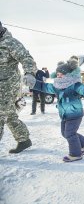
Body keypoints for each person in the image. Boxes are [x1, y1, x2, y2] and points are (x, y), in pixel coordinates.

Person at [24, 56, 84, 162]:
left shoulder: (75, 85)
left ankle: (76, 154)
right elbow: (44, 87)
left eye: (61, 74)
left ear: (68, 74)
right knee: (65, 133)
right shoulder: (57, 86)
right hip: (64, 114)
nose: (58, 76)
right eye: (57, 74)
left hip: (75, 114)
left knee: (69, 133)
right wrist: (33, 83)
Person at [0, 21, 37, 153]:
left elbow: (26, 57)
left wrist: (29, 73)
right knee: (9, 115)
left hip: (7, 86)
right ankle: (24, 140)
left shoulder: (10, 43)